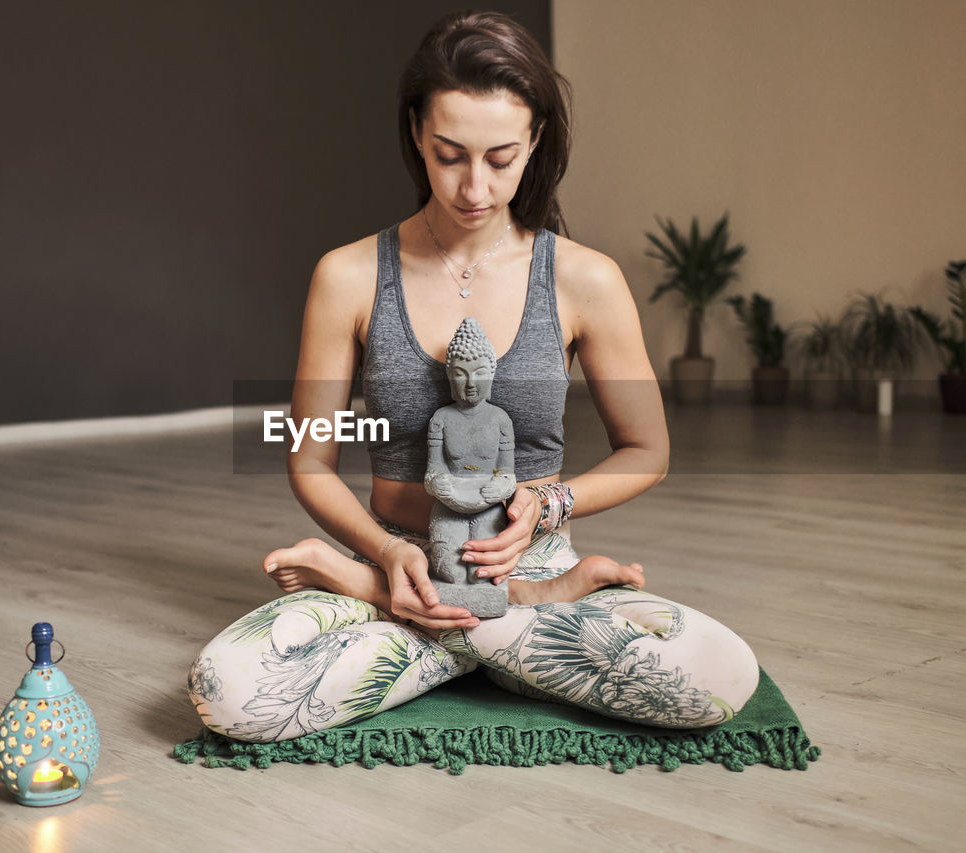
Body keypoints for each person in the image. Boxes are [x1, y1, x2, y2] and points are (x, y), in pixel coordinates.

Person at [188, 10, 758, 743]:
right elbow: (310, 459)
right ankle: (498, 621)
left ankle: (424, 619)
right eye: (449, 154)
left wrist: (547, 505)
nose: (475, 187)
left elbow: (648, 451)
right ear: (417, 136)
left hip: (531, 560)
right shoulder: (348, 276)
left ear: (537, 143)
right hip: (400, 558)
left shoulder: (586, 279)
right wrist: (390, 556)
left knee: (719, 676)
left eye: (502, 157)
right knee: (224, 688)